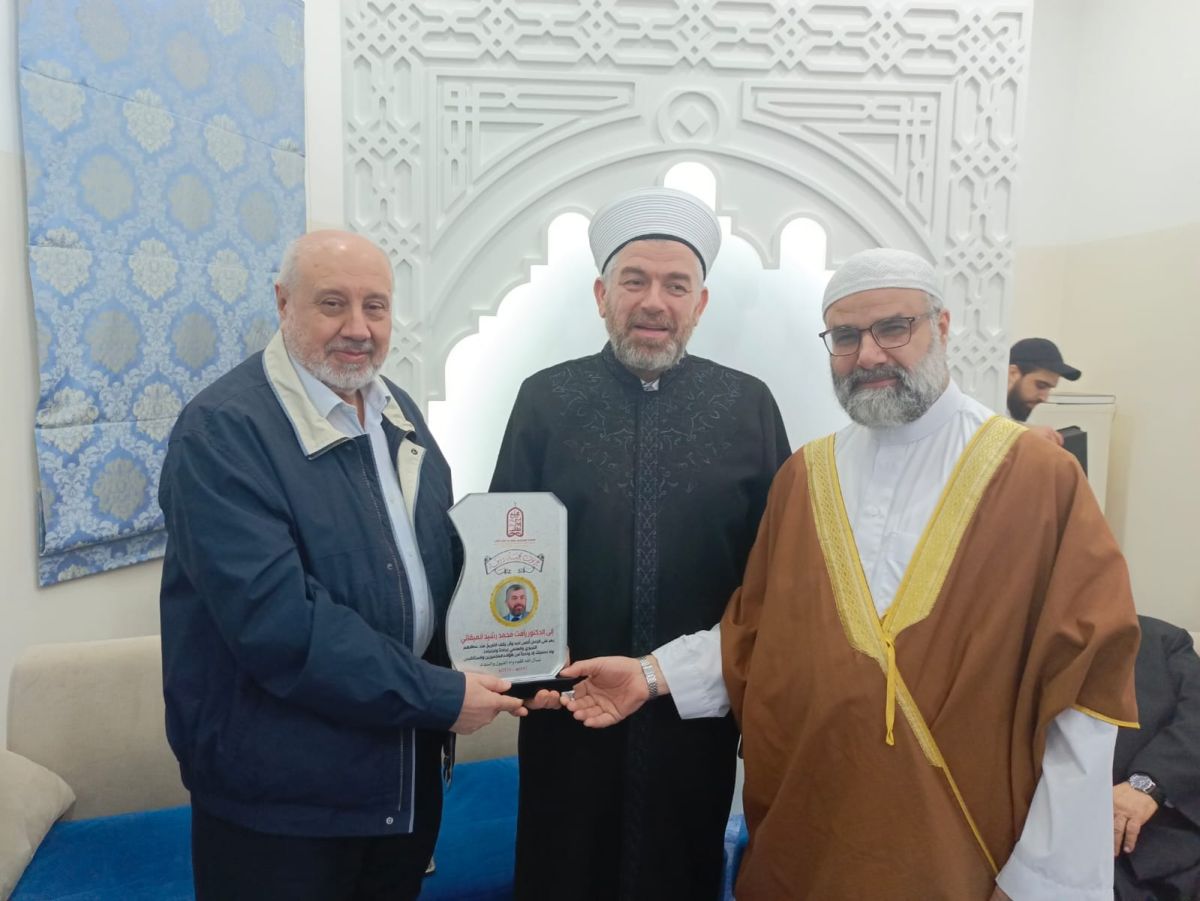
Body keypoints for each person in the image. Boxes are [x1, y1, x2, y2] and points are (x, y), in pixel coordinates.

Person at [718, 248, 1139, 899]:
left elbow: (1085, 692)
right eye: (845, 337)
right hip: (810, 836)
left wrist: (1042, 880)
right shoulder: (803, 477)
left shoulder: (1040, 478)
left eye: (894, 327)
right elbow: (751, 640)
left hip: (972, 851)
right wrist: (648, 675)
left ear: (941, 327)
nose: (868, 355)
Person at [159, 230, 525, 901]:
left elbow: (436, 568)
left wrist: (523, 649)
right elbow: (281, 627)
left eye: (375, 306)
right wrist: (441, 696)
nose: (358, 327)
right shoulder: (222, 431)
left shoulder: (397, 414)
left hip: (400, 784)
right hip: (283, 810)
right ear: (283, 302)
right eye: (333, 303)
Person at [490, 186, 791, 900]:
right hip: (571, 714)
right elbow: (501, 548)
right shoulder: (545, 399)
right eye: (635, 281)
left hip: (690, 715)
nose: (654, 301)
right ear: (602, 295)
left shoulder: (748, 405)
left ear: (700, 304)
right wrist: (526, 666)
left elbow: (774, 575)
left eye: (675, 285)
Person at [1113, 615, 1200, 900]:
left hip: (1172, 845)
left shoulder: (1162, 640)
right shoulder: (1020, 650)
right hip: (1065, 851)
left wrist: (1147, 784)